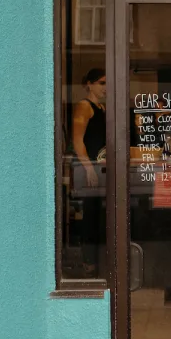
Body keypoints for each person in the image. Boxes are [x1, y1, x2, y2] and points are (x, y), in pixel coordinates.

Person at [70, 68, 107, 276]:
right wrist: (88, 167)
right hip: (89, 169)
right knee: (91, 215)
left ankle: (96, 260)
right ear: (89, 84)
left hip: (99, 168)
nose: (106, 88)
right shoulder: (85, 106)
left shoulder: (101, 107)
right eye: (102, 83)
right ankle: (89, 262)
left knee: (100, 214)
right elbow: (77, 140)